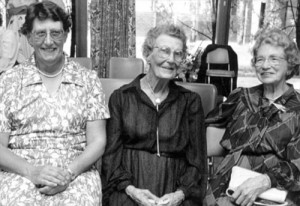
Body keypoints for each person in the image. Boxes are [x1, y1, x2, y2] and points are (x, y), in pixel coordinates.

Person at [0, 2, 109, 205]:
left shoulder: (88, 79)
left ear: (66, 34)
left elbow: (97, 141)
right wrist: (31, 171)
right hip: (21, 172)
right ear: (29, 37)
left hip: (76, 172)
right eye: (40, 33)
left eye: (56, 33)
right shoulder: (8, 81)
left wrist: (68, 174)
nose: (48, 41)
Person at [102, 24, 208, 206]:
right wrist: (131, 190)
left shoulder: (190, 102)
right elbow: (111, 157)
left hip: (176, 190)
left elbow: (197, 161)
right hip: (128, 188)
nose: (171, 59)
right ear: (148, 54)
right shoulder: (121, 98)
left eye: (178, 53)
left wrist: (180, 194)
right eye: (164, 51)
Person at [205, 28, 300, 206]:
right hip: (228, 185)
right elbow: (204, 126)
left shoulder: (298, 108)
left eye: (274, 59)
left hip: (277, 190)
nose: (265, 66)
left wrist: (265, 180)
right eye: (260, 59)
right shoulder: (240, 97)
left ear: (290, 64)